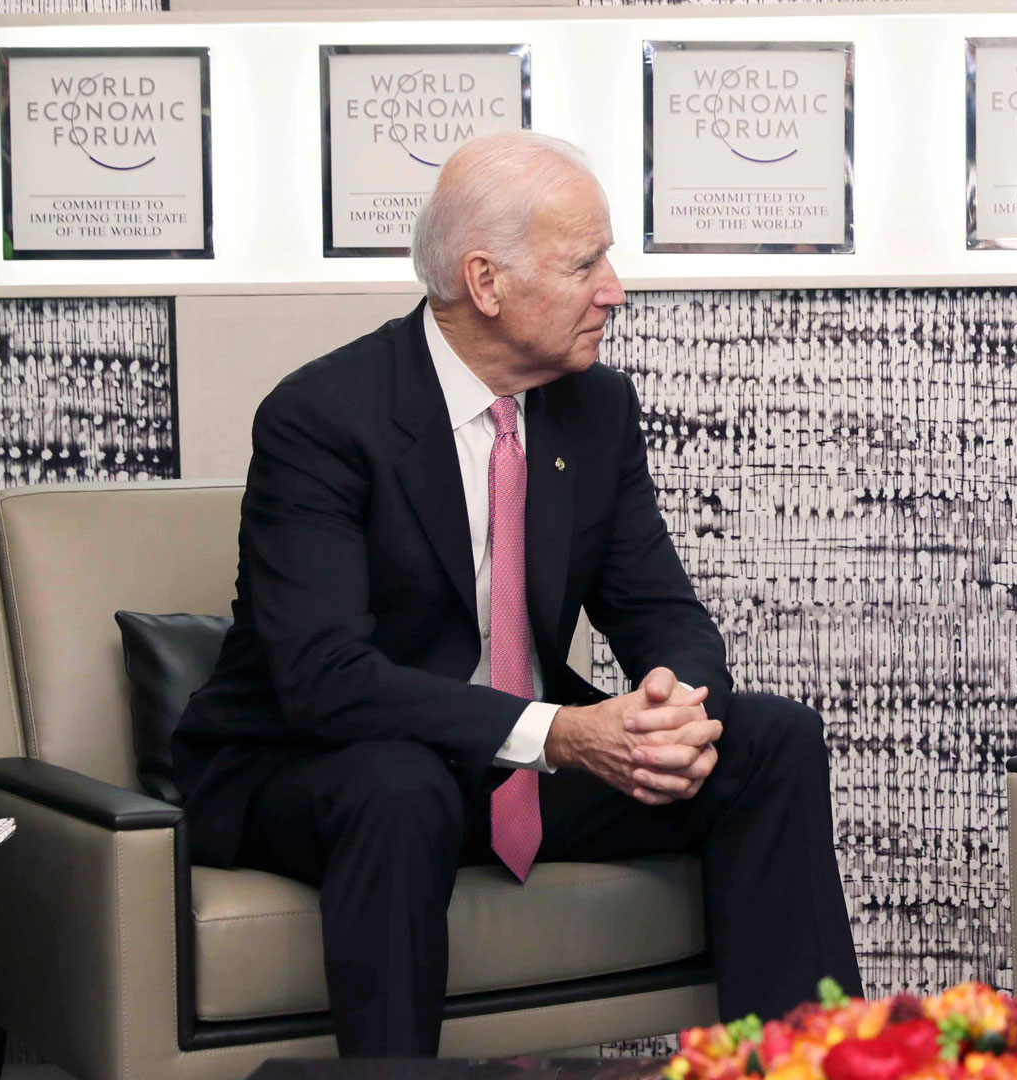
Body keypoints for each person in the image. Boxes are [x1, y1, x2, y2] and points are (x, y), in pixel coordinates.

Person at [171, 131, 862, 1057]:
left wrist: (674, 706)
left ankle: (808, 1067)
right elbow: (324, 678)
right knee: (399, 787)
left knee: (772, 740)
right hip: (318, 764)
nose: (615, 289)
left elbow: (660, 611)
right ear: (486, 282)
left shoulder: (596, 407)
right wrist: (563, 734)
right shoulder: (324, 417)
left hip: (505, 767)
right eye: (585, 264)